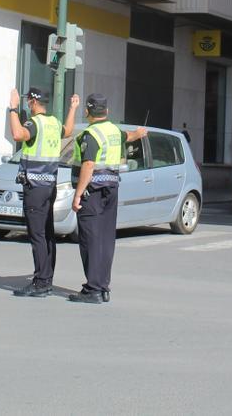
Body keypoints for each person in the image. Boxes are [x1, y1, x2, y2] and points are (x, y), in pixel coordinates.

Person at [69, 94, 146, 304]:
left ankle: (92, 289)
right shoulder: (113, 130)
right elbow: (127, 136)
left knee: (90, 239)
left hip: (92, 192)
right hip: (111, 189)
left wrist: (77, 195)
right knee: (105, 239)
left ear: (87, 111)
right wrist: (139, 133)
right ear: (107, 111)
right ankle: (103, 286)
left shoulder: (90, 134)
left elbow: (88, 165)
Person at [9, 87, 78, 298]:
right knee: (47, 234)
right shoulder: (53, 122)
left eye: (27, 102)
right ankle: (46, 278)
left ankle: (41, 283)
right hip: (49, 186)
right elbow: (67, 131)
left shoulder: (34, 123)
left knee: (37, 234)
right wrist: (72, 108)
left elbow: (18, 134)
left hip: (35, 187)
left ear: (31, 102)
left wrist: (12, 109)